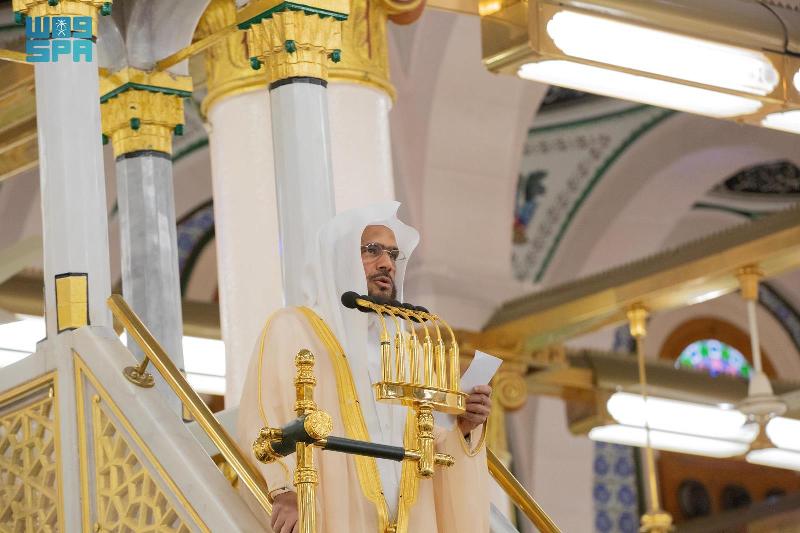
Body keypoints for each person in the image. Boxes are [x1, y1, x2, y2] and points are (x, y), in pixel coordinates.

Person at [236, 202, 491, 533]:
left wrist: (464, 428)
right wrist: (283, 488)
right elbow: (261, 415)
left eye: (393, 254)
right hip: (331, 512)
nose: (387, 264)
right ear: (339, 258)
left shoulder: (404, 349)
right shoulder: (293, 329)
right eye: (372, 250)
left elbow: (422, 441)